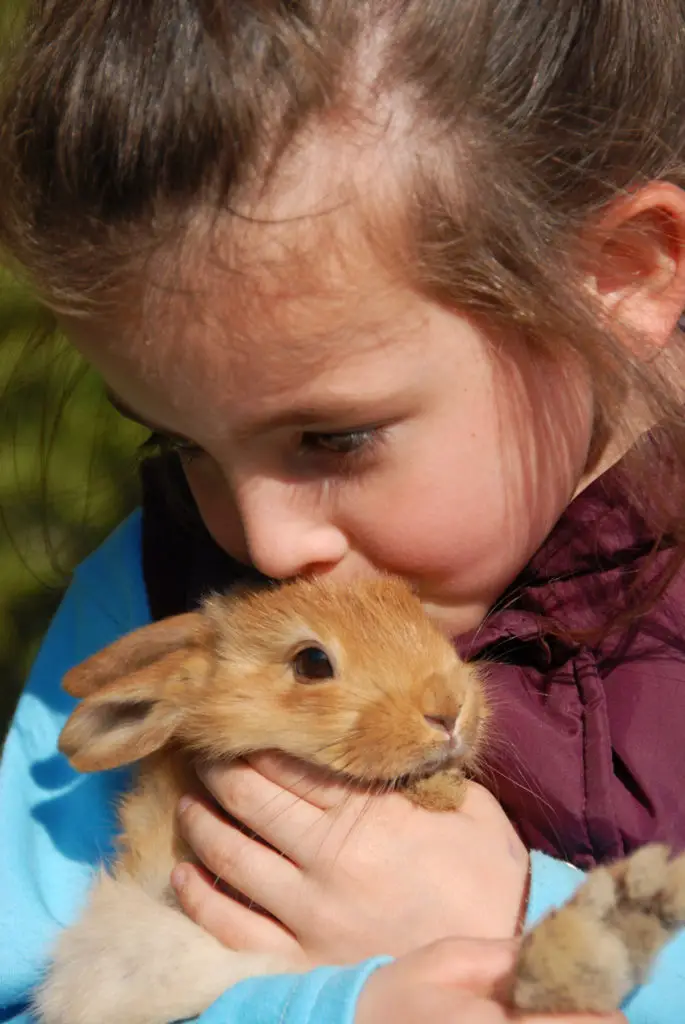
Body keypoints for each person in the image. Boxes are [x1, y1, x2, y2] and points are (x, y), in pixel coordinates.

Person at [0, 0, 684, 1020]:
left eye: (335, 438)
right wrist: (333, 1004)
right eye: (181, 445)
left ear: (618, 278)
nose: (266, 541)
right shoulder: (152, 595)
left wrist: (509, 918)